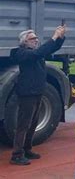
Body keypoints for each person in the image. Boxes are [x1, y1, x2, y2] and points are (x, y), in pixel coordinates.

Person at [9, 26, 66, 166]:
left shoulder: (35, 52)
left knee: (33, 122)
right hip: (27, 93)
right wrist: (54, 36)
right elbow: (40, 52)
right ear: (24, 42)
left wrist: (60, 38)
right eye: (32, 38)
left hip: (37, 91)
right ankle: (16, 154)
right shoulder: (21, 53)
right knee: (24, 124)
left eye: (36, 38)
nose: (36, 40)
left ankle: (27, 149)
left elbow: (50, 49)